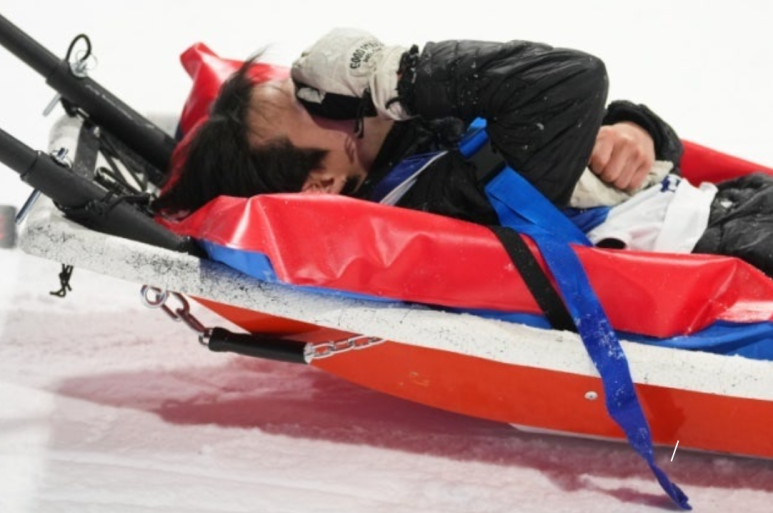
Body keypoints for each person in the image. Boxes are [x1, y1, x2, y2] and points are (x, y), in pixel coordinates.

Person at [153, 29, 773, 277]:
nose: (342, 100)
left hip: (729, 210)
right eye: (318, 108)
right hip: (730, 252)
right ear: (321, 185)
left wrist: (633, 132)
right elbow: (570, 82)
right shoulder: (432, 205)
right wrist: (400, 73)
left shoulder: (417, 143)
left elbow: (572, 122)